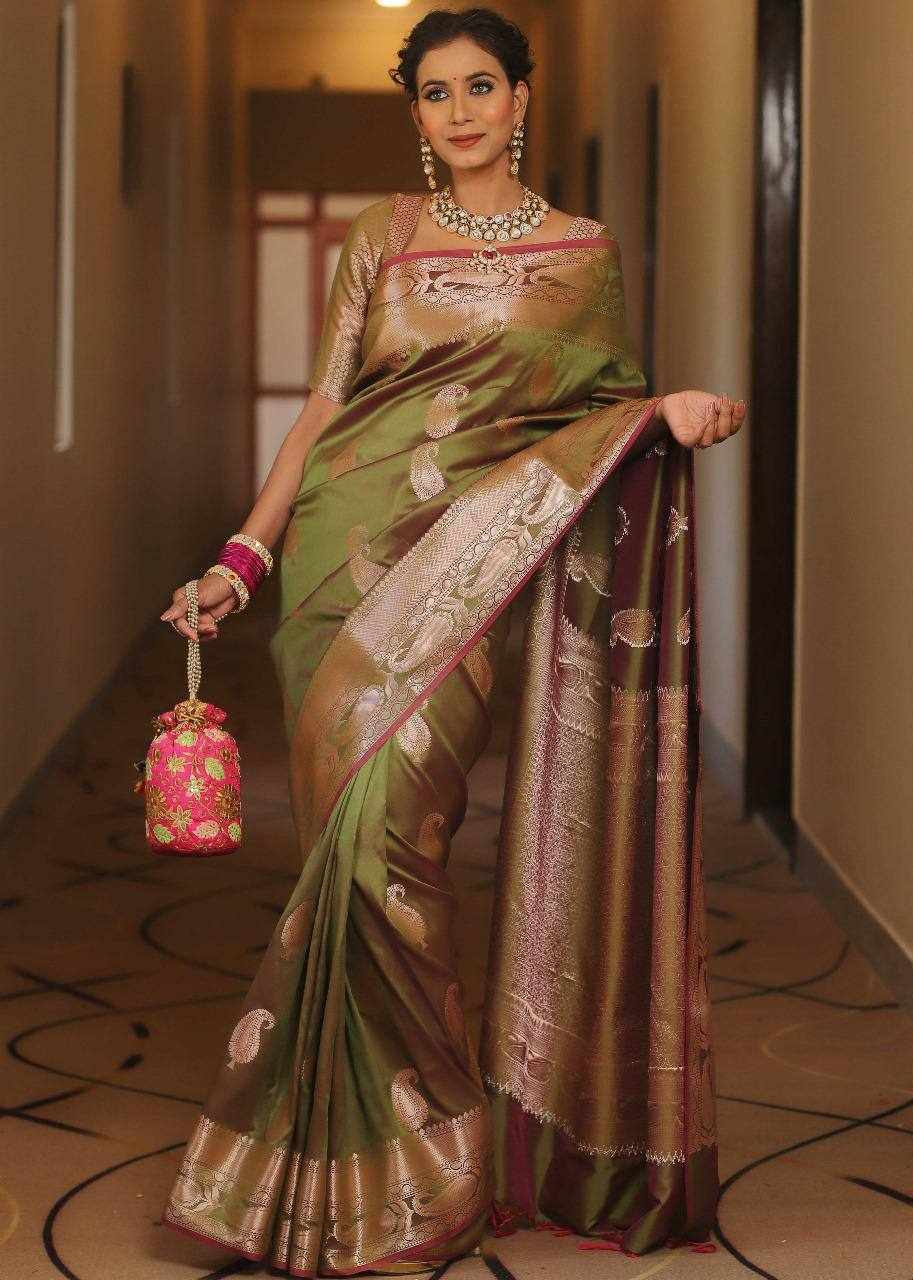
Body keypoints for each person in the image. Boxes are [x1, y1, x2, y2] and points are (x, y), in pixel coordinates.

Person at [158, 7, 745, 1276]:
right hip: (340, 567)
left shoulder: (585, 252)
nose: (461, 110)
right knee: (345, 852)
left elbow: (595, 418)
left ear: (521, 97)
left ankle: (426, 1152)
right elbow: (326, 407)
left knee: (396, 841)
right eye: (435, 93)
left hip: (467, 577)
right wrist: (243, 556)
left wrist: (664, 410)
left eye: (482, 86)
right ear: (416, 113)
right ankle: (351, 1156)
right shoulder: (381, 236)